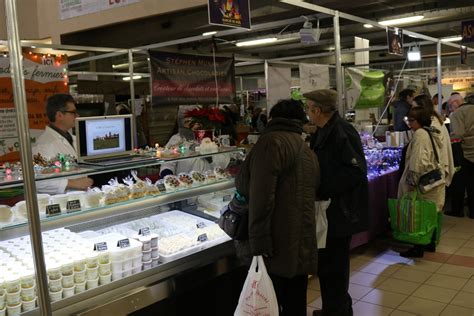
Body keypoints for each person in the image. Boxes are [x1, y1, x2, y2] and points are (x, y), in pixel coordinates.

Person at [234, 99, 320, 316]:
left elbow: (260, 197)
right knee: (295, 301)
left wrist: (258, 243)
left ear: (272, 119)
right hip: (300, 238)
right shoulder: (306, 148)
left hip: (275, 242)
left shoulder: (270, 143)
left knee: (270, 302)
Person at [305, 89, 368, 316]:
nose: (307, 113)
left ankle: (338, 310)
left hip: (339, 211)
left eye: (309, 108)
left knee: (335, 266)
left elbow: (356, 172)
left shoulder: (342, 131)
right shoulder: (324, 131)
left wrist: (323, 189)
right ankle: (334, 307)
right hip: (328, 210)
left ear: (318, 110)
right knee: (328, 266)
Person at [398, 107, 445, 257]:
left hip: (423, 184)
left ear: (420, 121)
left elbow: (418, 161)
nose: (410, 124)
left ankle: (418, 247)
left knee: (419, 214)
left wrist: (411, 182)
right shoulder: (430, 131)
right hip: (434, 182)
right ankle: (429, 243)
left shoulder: (420, 134)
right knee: (430, 215)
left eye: (412, 121)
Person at [33, 94, 93, 194]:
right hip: (62, 203)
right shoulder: (43, 145)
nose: (77, 116)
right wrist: (73, 183)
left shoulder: (74, 139)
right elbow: (38, 182)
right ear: (59, 115)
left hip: (81, 198)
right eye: (73, 113)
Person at [159, 107, 229, 177]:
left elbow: (223, 164)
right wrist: (168, 177)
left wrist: (210, 157)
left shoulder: (211, 139)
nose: (192, 124)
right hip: (187, 183)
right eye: (187, 121)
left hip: (209, 181)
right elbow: (167, 163)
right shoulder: (177, 138)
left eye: (194, 121)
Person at [414, 95, 455, 187]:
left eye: (414, 107)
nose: (412, 110)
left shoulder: (429, 126)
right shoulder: (436, 120)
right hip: (439, 171)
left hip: (433, 174)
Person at [450, 95, 474, 218]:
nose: (450, 108)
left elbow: (457, 134)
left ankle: (457, 210)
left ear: (455, 103)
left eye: (450, 105)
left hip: (464, 153)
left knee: (459, 183)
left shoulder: (458, 113)